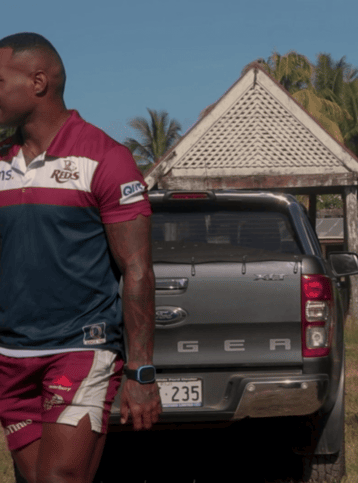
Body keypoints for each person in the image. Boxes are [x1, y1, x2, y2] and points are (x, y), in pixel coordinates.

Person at [0, 33, 161, 482]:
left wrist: (142, 371)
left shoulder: (106, 159)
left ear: (38, 82)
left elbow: (137, 269)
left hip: (80, 351)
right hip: (10, 358)